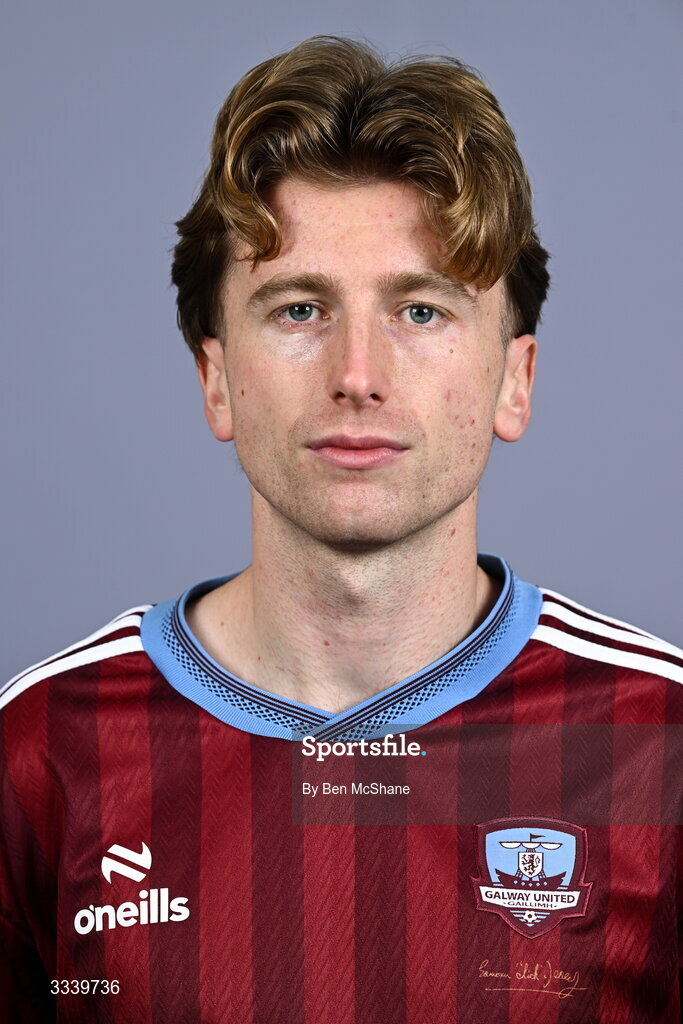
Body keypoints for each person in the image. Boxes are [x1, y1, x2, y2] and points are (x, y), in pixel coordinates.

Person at [1, 35, 680, 1024]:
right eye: (298, 308)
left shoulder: (658, 741)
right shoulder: (40, 750)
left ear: (513, 377)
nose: (356, 372)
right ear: (216, 378)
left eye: (419, 310)